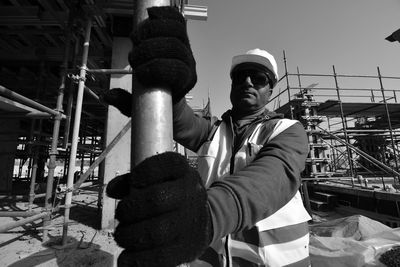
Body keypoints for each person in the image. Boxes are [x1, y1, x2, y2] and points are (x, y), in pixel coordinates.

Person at [104, 6, 311, 267]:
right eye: (240, 77)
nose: (247, 82)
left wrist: (204, 216)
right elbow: (182, 121)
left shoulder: (287, 130)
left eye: (258, 78)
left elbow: (271, 179)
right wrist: (170, 94)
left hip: (275, 260)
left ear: (270, 89)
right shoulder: (214, 130)